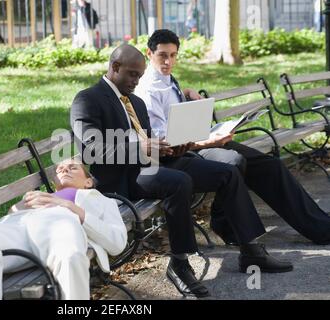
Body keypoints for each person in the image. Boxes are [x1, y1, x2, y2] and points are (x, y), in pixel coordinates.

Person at [71, 44, 293, 299]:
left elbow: (150, 139)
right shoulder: (88, 99)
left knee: (228, 171)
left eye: (140, 76)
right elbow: (92, 150)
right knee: (178, 182)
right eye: (131, 74)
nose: (136, 81)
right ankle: (179, 263)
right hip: (121, 177)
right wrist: (141, 147)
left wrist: (172, 147)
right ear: (114, 67)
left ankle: (251, 250)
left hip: (152, 163)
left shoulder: (136, 102)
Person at [134, 29, 330, 246]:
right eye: (162, 55)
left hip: (197, 140)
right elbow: (165, 142)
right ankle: (228, 226)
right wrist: (211, 141)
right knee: (234, 161)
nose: (168, 61)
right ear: (149, 54)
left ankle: (321, 227)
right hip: (182, 152)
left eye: (173, 55)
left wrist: (186, 92)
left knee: (270, 165)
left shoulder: (166, 78)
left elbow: (171, 100)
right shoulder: (148, 89)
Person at [0, 159, 127, 300]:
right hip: (18, 225)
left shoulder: (99, 200)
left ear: (88, 182)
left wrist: (67, 206)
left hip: (60, 224)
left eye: (72, 167)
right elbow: (8, 217)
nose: (64, 169)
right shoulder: (40, 197)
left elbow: (117, 241)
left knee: (70, 257)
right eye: (59, 169)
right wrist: (20, 206)